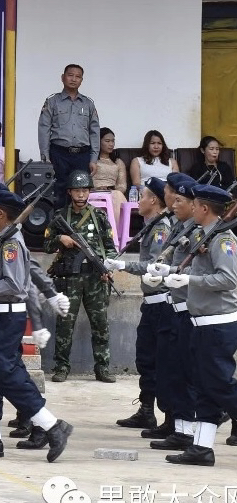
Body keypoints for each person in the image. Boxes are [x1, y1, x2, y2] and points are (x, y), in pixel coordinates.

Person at [0, 188, 74, 463]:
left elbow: (15, 285)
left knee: (6, 374)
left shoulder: (11, 243)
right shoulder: (0, 237)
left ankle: (52, 426)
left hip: (5, 316)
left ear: (2, 214)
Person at [161, 183, 237, 467]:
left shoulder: (222, 239)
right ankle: (201, 449)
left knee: (220, 387)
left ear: (205, 209)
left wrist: (190, 281)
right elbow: (200, 271)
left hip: (218, 324)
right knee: (205, 387)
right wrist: (170, 272)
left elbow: (229, 279)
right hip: (202, 322)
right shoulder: (206, 234)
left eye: (195, 204)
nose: (191, 207)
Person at [103, 177, 171, 431]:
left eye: (142, 196)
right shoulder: (151, 225)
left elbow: (154, 266)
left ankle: (173, 417)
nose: (138, 201)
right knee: (146, 359)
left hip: (162, 304)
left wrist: (123, 265)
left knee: (161, 361)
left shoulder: (161, 228)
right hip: (150, 302)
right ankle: (146, 410)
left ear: (154, 200)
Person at [143, 173, 203, 449]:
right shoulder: (181, 229)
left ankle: (191, 429)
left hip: (189, 310)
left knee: (192, 374)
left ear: (196, 205)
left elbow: (212, 273)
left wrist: (178, 275)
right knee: (172, 371)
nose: (174, 204)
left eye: (180, 200)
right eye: (174, 198)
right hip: (172, 308)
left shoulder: (201, 233)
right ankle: (179, 427)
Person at [44, 170, 117, 383]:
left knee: (100, 324)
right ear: (69, 192)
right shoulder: (60, 216)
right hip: (69, 279)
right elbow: (46, 245)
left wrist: (107, 268)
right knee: (65, 324)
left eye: (85, 190)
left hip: (95, 277)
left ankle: (102, 368)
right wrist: (60, 239)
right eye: (77, 190)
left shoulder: (99, 216)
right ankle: (61, 367)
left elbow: (111, 248)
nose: (81, 194)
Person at [38, 64, 100, 208]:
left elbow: (94, 131)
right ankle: (59, 226)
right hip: (59, 153)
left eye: (78, 76)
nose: (73, 79)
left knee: (81, 190)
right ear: (63, 77)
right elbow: (44, 128)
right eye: (70, 75)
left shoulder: (88, 103)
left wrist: (94, 158)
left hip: (82, 154)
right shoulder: (52, 101)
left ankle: (78, 226)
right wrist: (45, 155)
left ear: (81, 80)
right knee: (59, 190)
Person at [91, 128, 128, 222]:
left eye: (113, 141)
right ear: (98, 142)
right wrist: (96, 189)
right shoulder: (91, 161)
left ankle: (115, 232)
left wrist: (111, 191)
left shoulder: (118, 162)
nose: (111, 144)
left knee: (118, 195)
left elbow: (122, 185)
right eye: (107, 141)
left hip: (112, 194)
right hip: (94, 192)